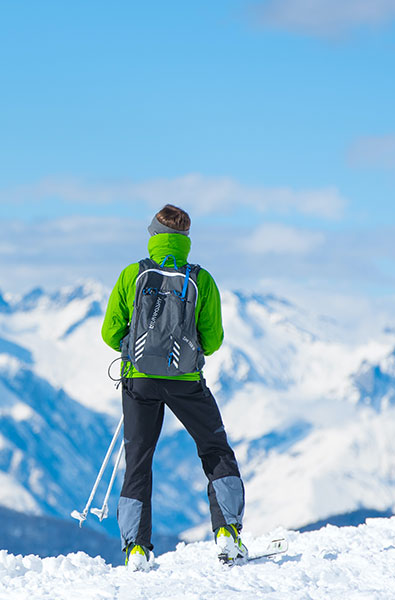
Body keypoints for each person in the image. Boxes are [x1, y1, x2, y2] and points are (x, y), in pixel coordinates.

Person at [100, 204, 246, 571]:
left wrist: (135, 349)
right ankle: (227, 531)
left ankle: (136, 548)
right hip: (185, 381)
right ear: (186, 240)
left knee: (139, 459)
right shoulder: (202, 279)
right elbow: (212, 340)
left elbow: (109, 332)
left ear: (152, 235)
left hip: (139, 380)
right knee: (214, 448)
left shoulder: (133, 275)